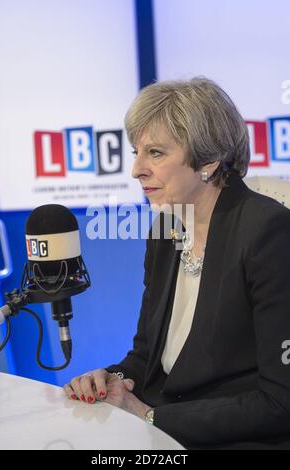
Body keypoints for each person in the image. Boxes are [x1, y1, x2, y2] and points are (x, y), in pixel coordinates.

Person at [63, 77, 290, 450]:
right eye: (137, 151)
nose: (136, 169)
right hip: (165, 426)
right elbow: (145, 354)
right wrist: (107, 378)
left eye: (155, 153)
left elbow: (281, 401)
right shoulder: (166, 229)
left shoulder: (268, 232)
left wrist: (150, 417)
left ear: (208, 160)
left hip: (237, 437)